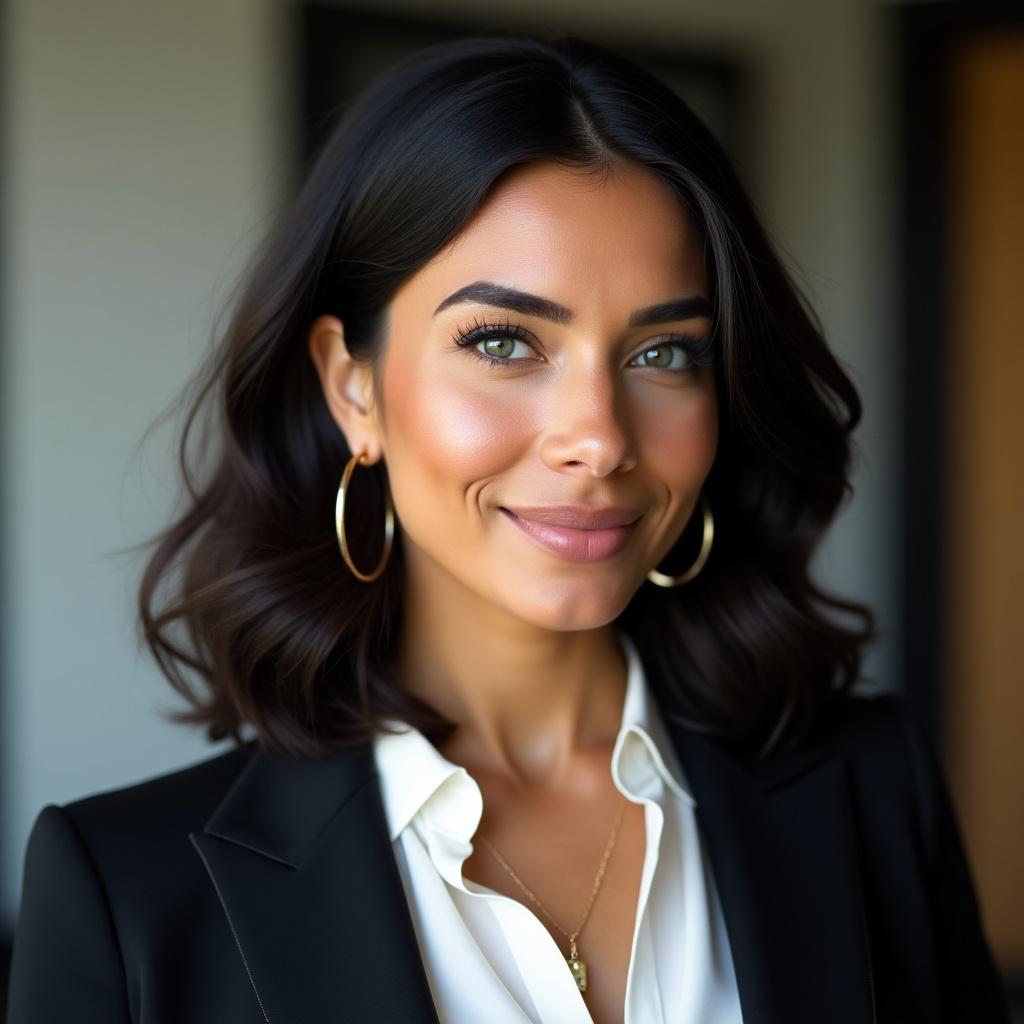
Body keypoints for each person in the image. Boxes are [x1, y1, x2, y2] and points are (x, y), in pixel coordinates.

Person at [4, 31, 1011, 1024]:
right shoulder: (126, 891)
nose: (597, 439)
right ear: (351, 385)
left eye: (664, 355)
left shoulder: (872, 787)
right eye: (503, 342)